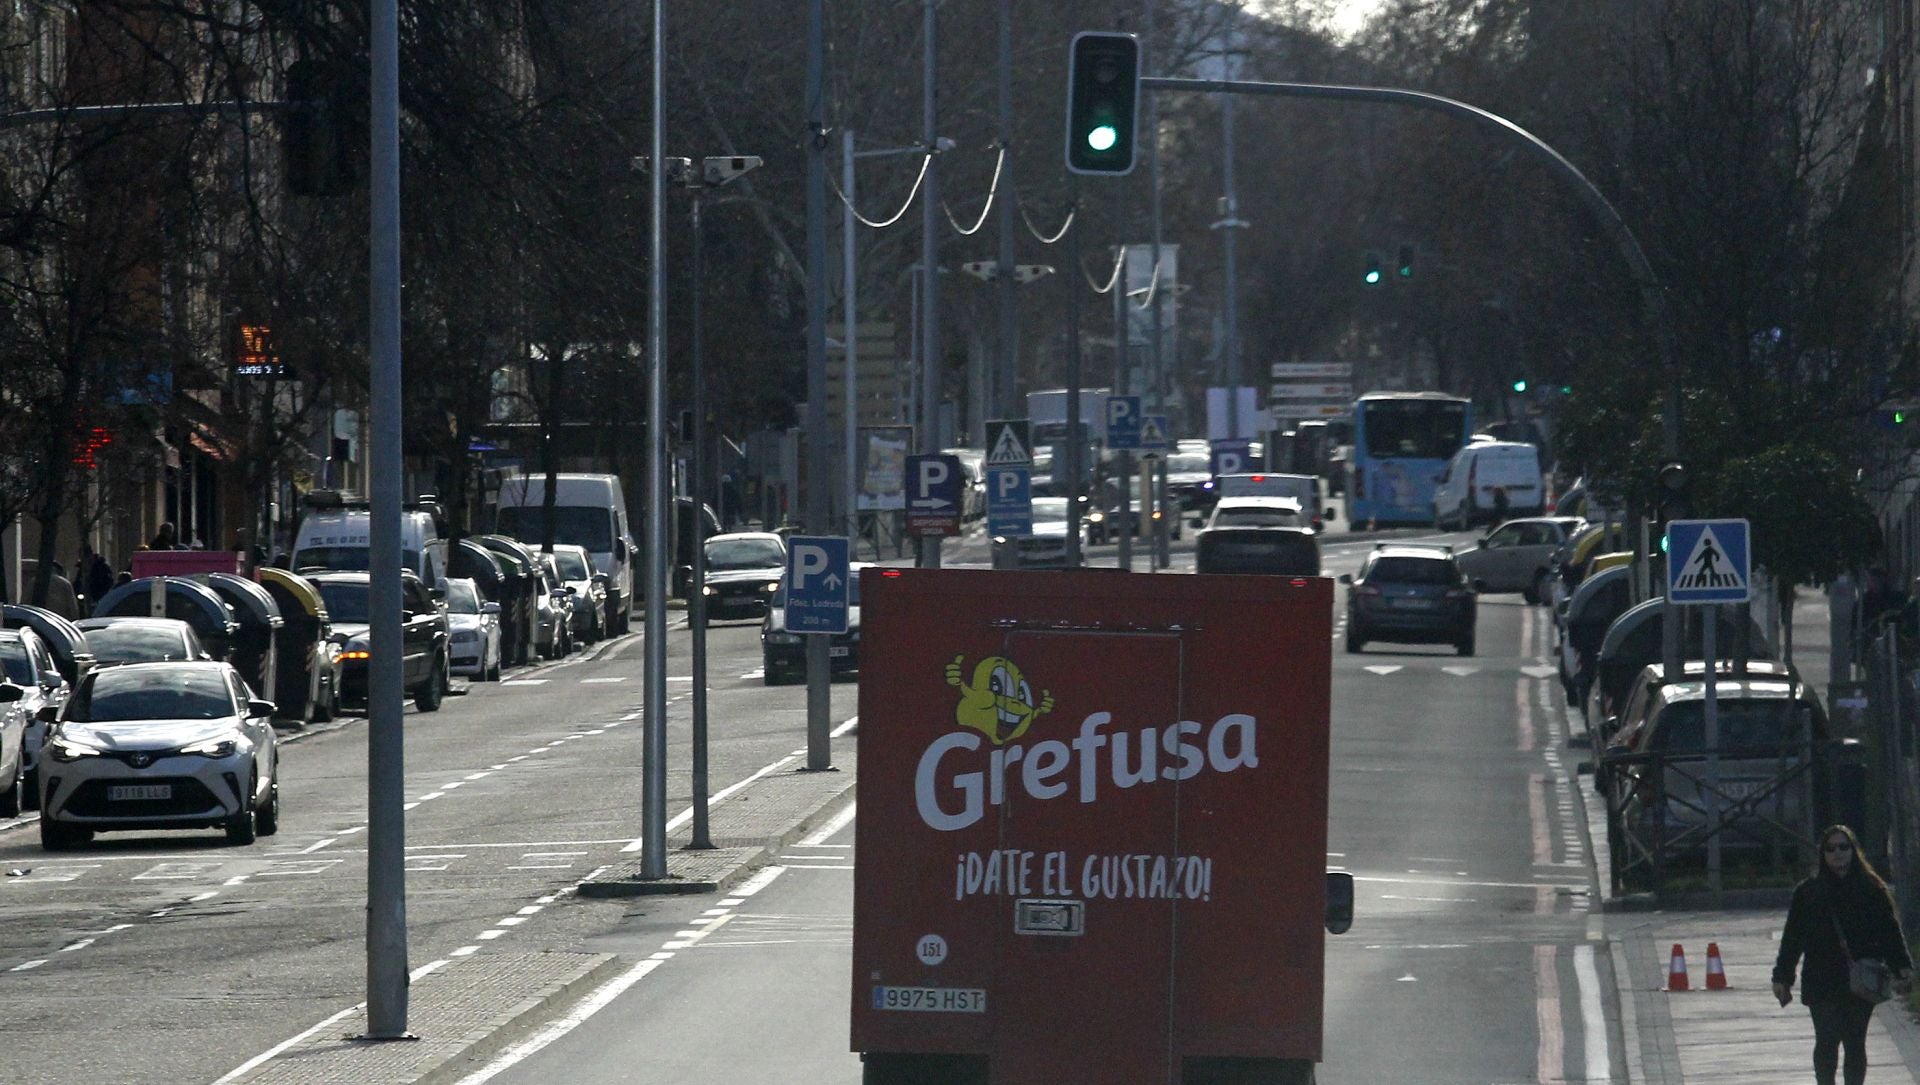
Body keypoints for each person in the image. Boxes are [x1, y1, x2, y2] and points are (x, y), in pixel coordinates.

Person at [1773, 825, 1914, 1085]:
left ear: (1853, 850)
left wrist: (1901, 965)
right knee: (1826, 1040)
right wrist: (1782, 977)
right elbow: (1793, 938)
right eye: (1830, 848)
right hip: (1821, 979)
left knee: (1854, 1042)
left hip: (1860, 978)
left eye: (1843, 847)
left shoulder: (1872, 889)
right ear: (1822, 854)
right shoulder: (1808, 893)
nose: (1837, 853)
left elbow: (1889, 931)